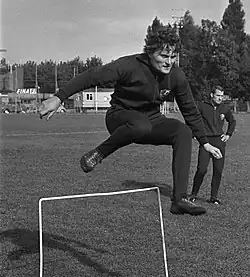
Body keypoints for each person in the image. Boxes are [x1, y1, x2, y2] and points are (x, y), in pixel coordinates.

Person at [39, 25, 222, 215]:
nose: (169, 62)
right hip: (120, 117)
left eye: (172, 56)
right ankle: (99, 153)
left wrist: (205, 142)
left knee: (183, 131)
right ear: (150, 53)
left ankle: (179, 200)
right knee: (139, 124)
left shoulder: (176, 75)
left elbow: (190, 110)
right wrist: (59, 97)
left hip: (151, 120)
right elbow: (92, 76)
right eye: (163, 56)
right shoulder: (129, 65)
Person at [189, 86, 236, 205]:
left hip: (219, 142)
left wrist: (228, 134)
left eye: (222, 96)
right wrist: (193, 133)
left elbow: (232, 121)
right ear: (211, 95)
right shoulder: (202, 106)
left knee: (218, 170)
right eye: (218, 95)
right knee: (201, 169)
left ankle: (213, 197)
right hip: (206, 142)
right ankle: (193, 194)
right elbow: (192, 119)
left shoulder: (224, 108)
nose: (220, 98)